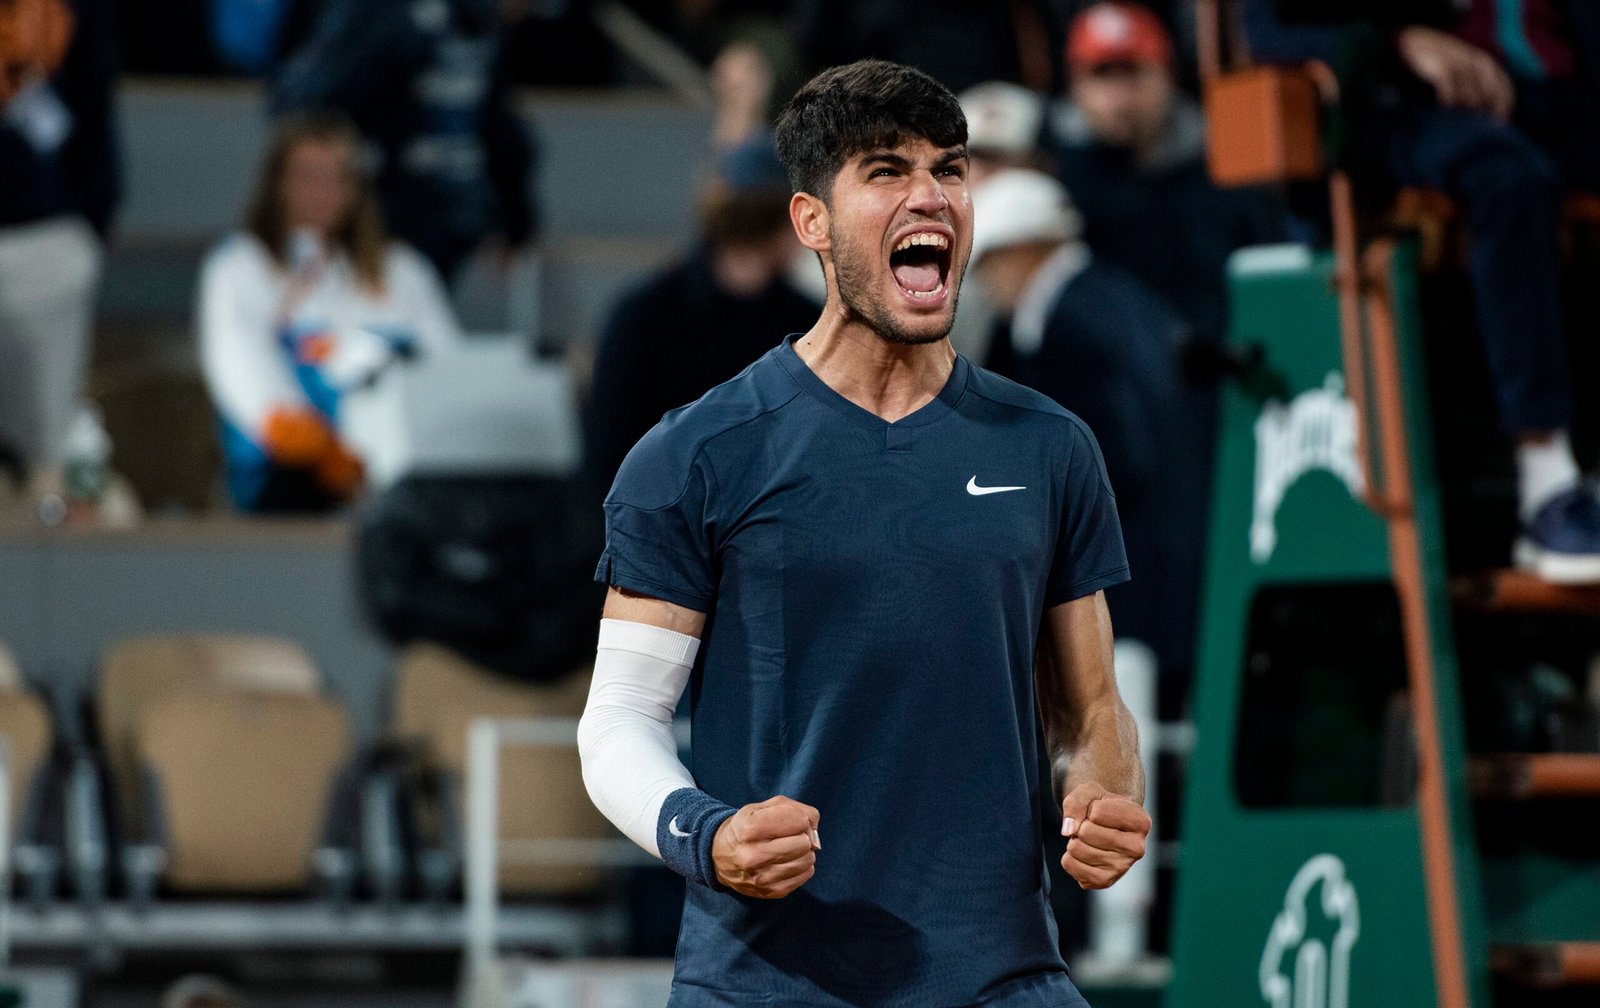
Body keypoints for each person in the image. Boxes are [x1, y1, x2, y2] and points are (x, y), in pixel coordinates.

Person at [577, 59, 1150, 1007]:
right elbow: (619, 724)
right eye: (887, 171)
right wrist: (703, 834)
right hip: (767, 982)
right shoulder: (696, 455)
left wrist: (1097, 795)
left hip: (1000, 975)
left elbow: (1089, 712)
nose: (931, 195)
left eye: (951, 169)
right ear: (811, 222)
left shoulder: (1053, 449)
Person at [1246, 0, 1600, 583]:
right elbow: (1270, 29)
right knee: (1510, 179)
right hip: (1402, 106)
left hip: (1545, 102)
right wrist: (1397, 44)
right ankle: (1547, 486)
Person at [972, 167, 1193, 708]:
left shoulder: (1069, 325)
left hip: (1134, 578)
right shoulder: (1110, 298)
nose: (983, 285)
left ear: (1021, 250)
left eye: (986, 266)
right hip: (1171, 558)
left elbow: (1114, 456)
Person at [198, 110, 463, 514]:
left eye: (337, 176)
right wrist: (326, 452)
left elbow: (447, 366)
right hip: (292, 474)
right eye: (306, 176)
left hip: (405, 467)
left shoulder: (404, 271)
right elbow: (243, 371)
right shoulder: (240, 269)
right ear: (277, 184)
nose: (322, 192)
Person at [582, 134, 820, 494]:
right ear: (786, 224)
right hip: (669, 535)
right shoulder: (646, 316)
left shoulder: (641, 311)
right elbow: (609, 456)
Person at [271, 0, 537, 284]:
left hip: (447, 217)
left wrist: (517, 223)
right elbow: (300, 104)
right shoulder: (383, 14)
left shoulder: (479, 21)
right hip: (380, 218)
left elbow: (500, 130)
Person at [0, 0, 117, 500]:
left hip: (48, 233)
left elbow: (95, 123)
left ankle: (47, 504)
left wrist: (85, 222)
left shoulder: (76, 14)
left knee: (47, 446)